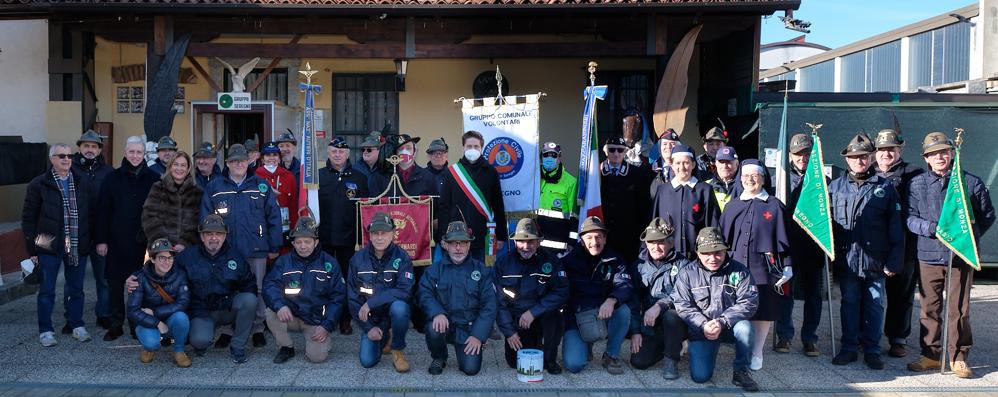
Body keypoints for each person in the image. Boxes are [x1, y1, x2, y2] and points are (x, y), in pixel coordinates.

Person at [906, 132, 995, 378]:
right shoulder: (917, 184)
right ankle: (931, 356)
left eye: (944, 152)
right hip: (928, 255)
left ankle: (959, 357)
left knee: (959, 309)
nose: (939, 157)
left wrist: (965, 238)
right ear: (926, 158)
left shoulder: (971, 182)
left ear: (952, 154)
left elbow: (987, 216)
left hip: (960, 256)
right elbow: (910, 219)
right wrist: (932, 230)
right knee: (929, 309)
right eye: (933, 153)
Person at [130, 215, 258, 363]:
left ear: (225, 236)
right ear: (202, 236)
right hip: (200, 312)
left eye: (219, 234)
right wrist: (135, 277)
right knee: (200, 341)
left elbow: (249, 284)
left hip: (226, 308)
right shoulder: (187, 257)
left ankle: (237, 347)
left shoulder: (235, 257)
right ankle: (201, 335)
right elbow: (163, 268)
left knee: (250, 300)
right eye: (209, 234)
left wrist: (242, 316)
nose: (214, 238)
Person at [828, 133, 904, 370]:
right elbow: (826, 225)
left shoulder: (886, 188)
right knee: (849, 303)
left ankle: (872, 350)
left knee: (875, 304)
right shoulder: (835, 187)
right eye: (854, 157)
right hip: (847, 259)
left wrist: (893, 261)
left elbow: (896, 228)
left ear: (871, 158)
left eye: (863, 157)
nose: (859, 161)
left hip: (875, 260)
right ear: (847, 160)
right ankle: (849, 348)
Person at [200, 143, 282, 349]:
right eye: (234, 161)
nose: (238, 164)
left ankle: (257, 328)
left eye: (242, 161)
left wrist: (274, 246)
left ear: (249, 162)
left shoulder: (261, 185)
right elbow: (205, 218)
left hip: (256, 248)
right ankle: (230, 328)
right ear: (227, 163)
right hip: (226, 251)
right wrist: (209, 246)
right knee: (229, 289)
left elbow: (273, 217)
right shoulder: (215, 187)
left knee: (259, 289)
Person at [719, 160, 791, 371]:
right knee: (738, 309)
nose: (750, 179)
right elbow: (722, 239)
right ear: (740, 179)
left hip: (764, 268)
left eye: (755, 175)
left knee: (764, 310)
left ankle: (757, 350)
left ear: (762, 178)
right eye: (746, 176)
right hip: (735, 268)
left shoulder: (774, 205)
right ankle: (742, 347)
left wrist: (788, 265)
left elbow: (785, 239)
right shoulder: (732, 206)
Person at [23, 143, 96, 347]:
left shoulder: (82, 181)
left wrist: (88, 239)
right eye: (61, 156)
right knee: (47, 290)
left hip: (76, 242)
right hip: (47, 242)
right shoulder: (38, 184)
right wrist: (33, 249)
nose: (66, 159)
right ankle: (45, 330)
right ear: (52, 159)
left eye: (69, 155)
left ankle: (76, 325)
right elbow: (29, 219)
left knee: (76, 288)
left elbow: (91, 213)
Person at [672, 227, 759, 391]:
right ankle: (698, 348)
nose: (713, 258)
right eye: (706, 253)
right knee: (700, 377)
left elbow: (749, 301)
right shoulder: (687, 273)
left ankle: (741, 370)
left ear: (725, 250)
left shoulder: (740, 271)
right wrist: (703, 324)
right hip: (701, 330)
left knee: (746, 328)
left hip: (730, 326)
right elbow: (682, 305)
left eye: (718, 252)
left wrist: (722, 321)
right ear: (697, 252)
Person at [95, 136, 160, 341]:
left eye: (139, 152)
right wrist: (101, 240)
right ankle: (116, 325)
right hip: (115, 240)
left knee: (139, 286)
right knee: (114, 285)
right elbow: (103, 211)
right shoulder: (111, 178)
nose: (135, 155)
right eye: (131, 152)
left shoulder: (153, 178)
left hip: (143, 242)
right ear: (125, 153)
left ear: (144, 154)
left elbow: (158, 211)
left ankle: (136, 324)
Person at [262, 217, 346, 364]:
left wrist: (326, 326)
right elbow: (270, 286)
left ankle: (325, 340)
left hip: (315, 319)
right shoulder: (283, 262)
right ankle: (286, 347)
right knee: (271, 311)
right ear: (293, 243)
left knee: (317, 357)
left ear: (316, 242)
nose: (303, 246)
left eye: (307, 242)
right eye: (299, 242)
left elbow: (338, 297)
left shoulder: (329, 263)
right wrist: (280, 306)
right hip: (291, 315)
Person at [419, 221, 498, 376]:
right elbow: (424, 293)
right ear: (445, 245)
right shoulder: (434, 270)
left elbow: (490, 305)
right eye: (453, 243)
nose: (458, 248)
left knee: (470, 369)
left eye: (462, 243)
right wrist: (437, 313)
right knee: (432, 328)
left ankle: (468, 345)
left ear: (469, 245)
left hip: (468, 328)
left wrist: (478, 335)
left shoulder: (481, 270)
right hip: (445, 324)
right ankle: (439, 357)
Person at [873, 129, 925, 358]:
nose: (886, 153)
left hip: (905, 245)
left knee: (901, 295)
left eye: (891, 149)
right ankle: (868, 335)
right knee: (871, 295)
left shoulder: (914, 174)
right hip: (873, 246)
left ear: (900, 150)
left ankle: (898, 338)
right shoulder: (867, 172)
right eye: (882, 149)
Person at [494, 218, 569, 374]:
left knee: (554, 314)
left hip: (542, 316)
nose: (526, 247)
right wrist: (509, 332)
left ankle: (550, 358)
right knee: (514, 363)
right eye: (521, 241)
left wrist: (534, 312)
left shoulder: (552, 261)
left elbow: (562, 291)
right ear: (515, 242)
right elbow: (499, 302)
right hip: (518, 321)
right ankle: (535, 346)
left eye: (531, 242)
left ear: (539, 242)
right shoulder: (502, 264)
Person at [774, 134, 825, 357]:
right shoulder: (780, 181)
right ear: (790, 155)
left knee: (813, 296)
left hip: (813, 246)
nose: (802, 158)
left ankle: (810, 339)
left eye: (806, 154)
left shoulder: (822, 181)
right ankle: (784, 336)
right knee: (785, 294)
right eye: (797, 154)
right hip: (787, 246)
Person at [561, 216, 633, 375]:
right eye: (589, 237)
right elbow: (560, 292)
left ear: (605, 239)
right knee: (574, 365)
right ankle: (585, 344)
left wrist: (612, 299)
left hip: (603, 312)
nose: (594, 241)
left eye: (599, 236)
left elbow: (625, 285)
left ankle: (611, 355)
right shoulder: (568, 262)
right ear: (581, 240)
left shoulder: (615, 259)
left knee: (624, 311)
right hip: (577, 318)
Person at [347, 212, 415, 372]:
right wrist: (368, 327)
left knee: (401, 308)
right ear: (369, 236)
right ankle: (384, 338)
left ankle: (397, 348)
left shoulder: (403, 257)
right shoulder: (357, 259)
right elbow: (353, 298)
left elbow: (405, 291)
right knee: (367, 361)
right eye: (375, 233)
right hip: (372, 319)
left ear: (392, 234)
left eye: (384, 233)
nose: (379, 237)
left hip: (392, 315)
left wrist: (371, 302)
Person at [627, 217, 691, 379]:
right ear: (646, 244)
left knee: (671, 316)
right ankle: (668, 346)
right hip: (651, 325)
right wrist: (635, 331)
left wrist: (660, 305)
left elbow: (684, 294)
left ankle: (671, 360)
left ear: (671, 243)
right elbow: (632, 300)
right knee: (639, 362)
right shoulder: (638, 266)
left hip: (677, 322)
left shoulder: (684, 265)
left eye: (661, 242)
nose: (656, 247)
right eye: (651, 242)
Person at [437, 131, 508, 261]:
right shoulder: (452, 172)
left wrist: (501, 236)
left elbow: (498, 205)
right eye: (469, 146)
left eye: (476, 147)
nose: (472, 149)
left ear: (482, 148)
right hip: (456, 237)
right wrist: (443, 235)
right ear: (463, 147)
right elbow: (444, 207)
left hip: (482, 235)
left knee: (480, 274)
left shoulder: (491, 172)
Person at [71, 130, 113, 332]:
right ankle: (72, 318)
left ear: (99, 150)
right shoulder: (69, 170)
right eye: (86, 146)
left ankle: (103, 314)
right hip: (76, 234)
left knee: (103, 279)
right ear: (79, 147)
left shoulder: (108, 172)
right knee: (74, 280)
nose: (89, 149)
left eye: (93, 146)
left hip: (100, 234)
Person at [126, 238, 191, 367]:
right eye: (162, 258)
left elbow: (183, 302)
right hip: (147, 321)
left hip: (166, 317)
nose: (167, 262)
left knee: (181, 318)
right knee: (152, 343)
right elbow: (132, 310)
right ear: (153, 259)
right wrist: (157, 322)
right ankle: (149, 349)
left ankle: (179, 350)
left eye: (170, 258)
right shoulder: (139, 278)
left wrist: (155, 313)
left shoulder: (180, 275)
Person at [651, 144, 721, 259]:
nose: (682, 167)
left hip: (698, 256)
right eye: (678, 163)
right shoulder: (662, 191)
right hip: (669, 256)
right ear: (672, 165)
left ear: (693, 164)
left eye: (686, 163)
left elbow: (712, 224)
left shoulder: (704, 190)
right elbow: (654, 224)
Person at [600, 136, 652, 262]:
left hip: (628, 235)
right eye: (612, 150)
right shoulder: (596, 173)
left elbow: (643, 207)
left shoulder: (637, 174)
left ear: (625, 152)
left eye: (620, 150)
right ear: (606, 151)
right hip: (603, 234)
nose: (616, 153)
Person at [142, 151, 202, 255]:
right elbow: (149, 217)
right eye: (176, 164)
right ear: (170, 167)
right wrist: (164, 243)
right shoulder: (158, 187)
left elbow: (197, 222)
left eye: (183, 165)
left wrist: (184, 243)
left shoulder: (196, 192)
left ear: (188, 169)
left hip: (187, 251)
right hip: (160, 249)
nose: (179, 168)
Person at [256, 141, 298, 253]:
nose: (271, 158)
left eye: (275, 155)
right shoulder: (255, 176)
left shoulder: (289, 177)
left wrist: (294, 230)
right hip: (262, 228)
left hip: (284, 227)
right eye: (267, 155)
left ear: (279, 159)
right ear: (262, 159)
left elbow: (293, 206)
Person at [537, 141, 578, 252]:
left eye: (554, 155)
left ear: (559, 158)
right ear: (541, 157)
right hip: (535, 243)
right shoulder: (534, 178)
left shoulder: (571, 182)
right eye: (546, 155)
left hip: (559, 244)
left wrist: (572, 242)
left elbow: (575, 216)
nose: (549, 158)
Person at [705, 146, 741, 212]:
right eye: (721, 162)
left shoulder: (745, 186)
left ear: (737, 164)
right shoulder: (706, 186)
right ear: (716, 163)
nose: (725, 166)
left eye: (729, 162)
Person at [648, 129, 680, 198]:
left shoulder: (685, 169)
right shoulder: (649, 171)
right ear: (659, 148)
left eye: (672, 144)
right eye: (665, 144)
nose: (668, 147)